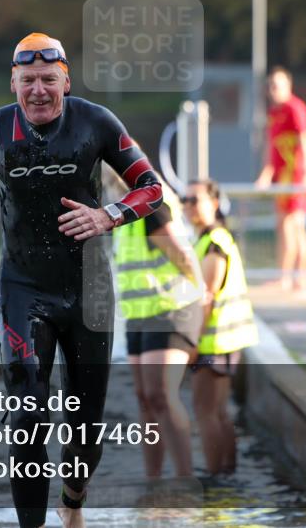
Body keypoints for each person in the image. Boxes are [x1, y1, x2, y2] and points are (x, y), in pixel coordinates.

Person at [0, 32, 163, 528]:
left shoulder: (96, 122)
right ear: (13, 82)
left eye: (48, 80)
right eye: (28, 81)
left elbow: (152, 188)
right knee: (26, 420)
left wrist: (109, 216)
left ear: (66, 80)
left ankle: (73, 502)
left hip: (90, 291)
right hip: (23, 288)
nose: (38, 91)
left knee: (85, 431)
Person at [106, 166, 203, 480]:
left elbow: (182, 256)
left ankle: (184, 480)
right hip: (139, 315)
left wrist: (202, 296)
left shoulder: (151, 205)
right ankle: (153, 481)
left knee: (161, 393)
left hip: (171, 309)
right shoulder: (123, 213)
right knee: (145, 398)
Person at [182, 179, 258, 476]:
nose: (188, 206)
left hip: (215, 343)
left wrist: (192, 344)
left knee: (205, 413)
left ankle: (216, 482)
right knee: (219, 412)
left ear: (214, 203)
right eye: (184, 200)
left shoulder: (214, 242)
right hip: (226, 341)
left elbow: (207, 297)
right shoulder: (210, 238)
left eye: (194, 200)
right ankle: (227, 474)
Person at [254, 66, 306, 291]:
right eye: (271, 85)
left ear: (288, 86)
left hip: (297, 175)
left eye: (277, 85)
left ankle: (298, 277)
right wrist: (266, 174)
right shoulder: (273, 113)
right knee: (282, 225)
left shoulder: (296, 109)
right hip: (282, 178)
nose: (273, 90)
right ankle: (285, 276)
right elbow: (270, 147)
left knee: (295, 225)